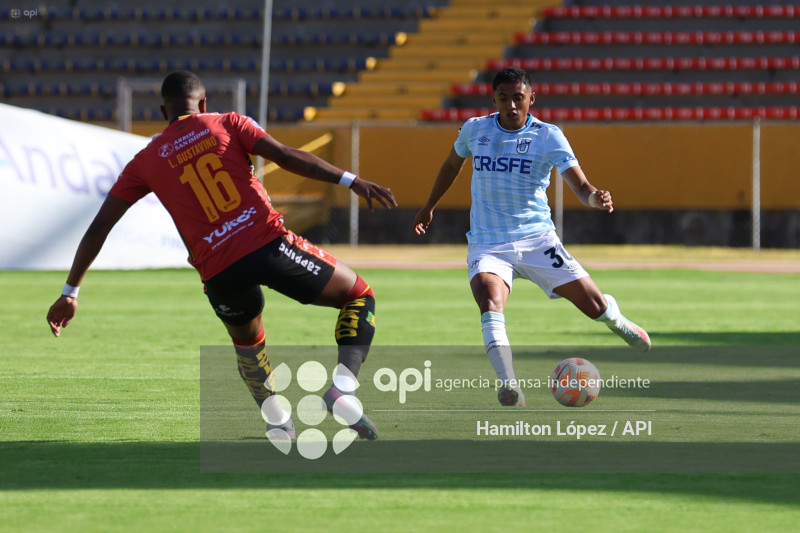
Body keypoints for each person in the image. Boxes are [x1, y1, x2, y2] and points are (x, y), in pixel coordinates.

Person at [47, 70, 397, 440]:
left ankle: (278, 422)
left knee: (248, 345)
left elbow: (99, 227)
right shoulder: (228, 123)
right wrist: (350, 180)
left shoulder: (145, 160)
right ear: (202, 102)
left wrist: (71, 292)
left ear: (163, 111)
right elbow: (285, 156)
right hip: (267, 245)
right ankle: (342, 389)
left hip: (218, 272)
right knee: (358, 294)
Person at [413, 67, 650, 407]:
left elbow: (581, 186)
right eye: (504, 98)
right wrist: (429, 206)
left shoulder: (549, 136)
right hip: (488, 244)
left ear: (531, 99)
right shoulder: (475, 130)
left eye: (518, 98)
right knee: (489, 301)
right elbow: (452, 165)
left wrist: (594, 198)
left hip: (538, 241)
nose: (511, 105)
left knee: (594, 306)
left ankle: (617, 320)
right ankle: (509, 384)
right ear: (493, 99)